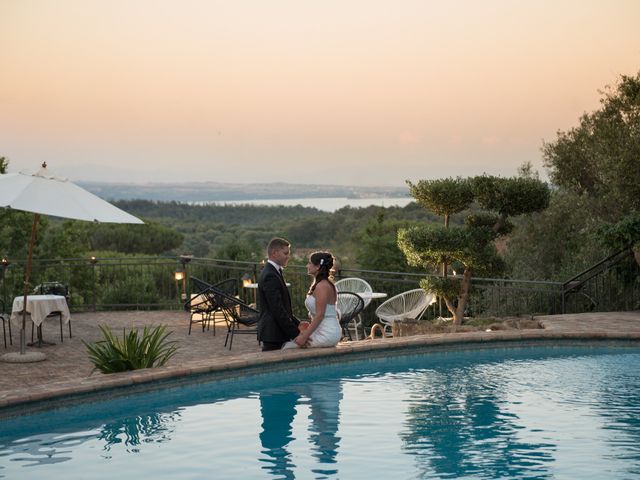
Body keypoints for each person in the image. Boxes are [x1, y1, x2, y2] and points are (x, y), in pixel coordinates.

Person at [282, 251, 341, 349]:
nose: (307, 265)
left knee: (288, 347)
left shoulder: (322, 286)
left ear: (318, 266)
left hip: (327, 333)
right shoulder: (323, 283)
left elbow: (320, 315)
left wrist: (304, 336)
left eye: (309, 263)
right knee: (291, 340)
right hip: (322, 330)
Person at [257, 237, 302, 351]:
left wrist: (298, 324)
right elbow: (277, 309)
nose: (288, 256)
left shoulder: (273, 271)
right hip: (273, 333)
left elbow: (283, 308)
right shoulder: (270, 275)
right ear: (274, 253)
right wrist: (296, 334)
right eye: (285, 253)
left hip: (276, 332)